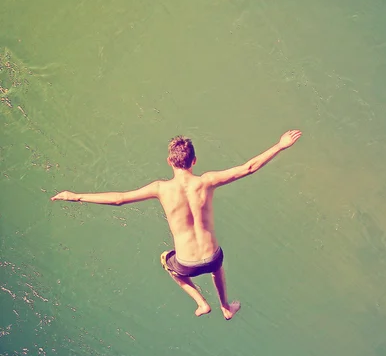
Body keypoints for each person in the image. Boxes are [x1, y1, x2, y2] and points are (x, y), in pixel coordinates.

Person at [51, 130, 302, 319]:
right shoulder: (207, 181)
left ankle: (201, 303)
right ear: (194, 161)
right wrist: (280, 145)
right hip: (213, 257)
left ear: (170, 161)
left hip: (187, 265)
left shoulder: (161, 189)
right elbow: (248, 168)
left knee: (168, 262)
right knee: (217, 266)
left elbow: (119, 200)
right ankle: (226, 306)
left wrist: (76, 196)